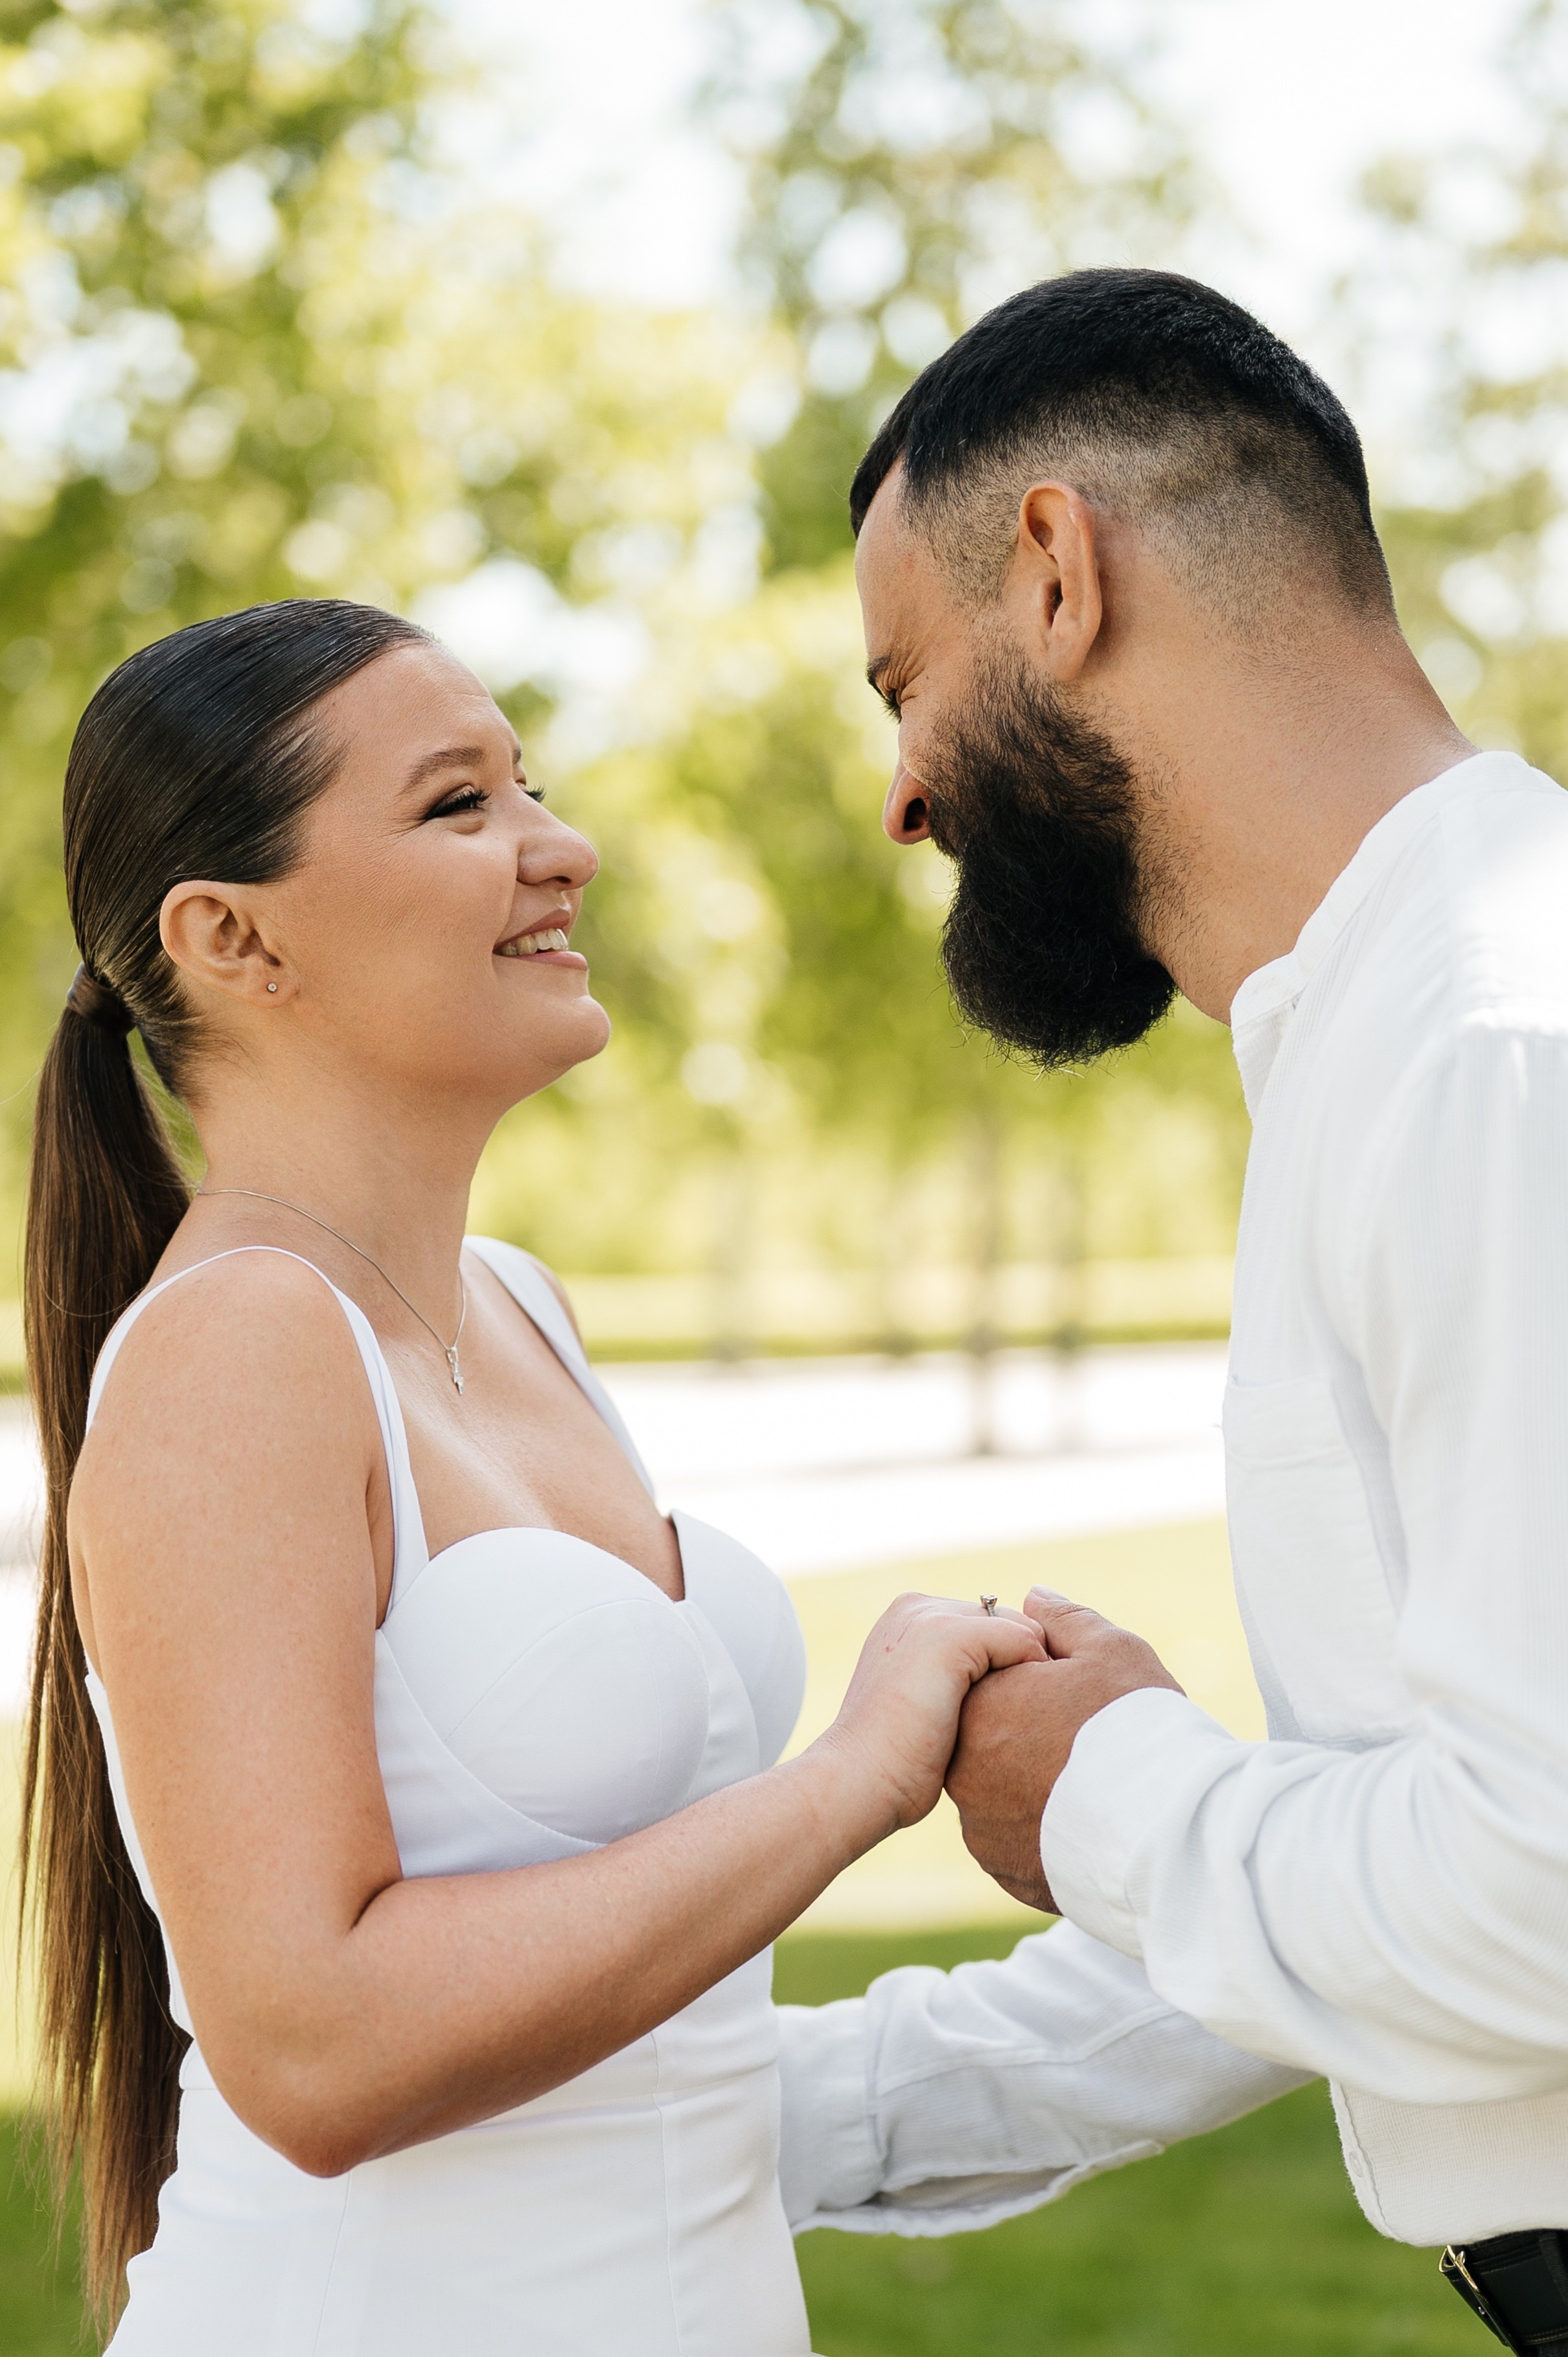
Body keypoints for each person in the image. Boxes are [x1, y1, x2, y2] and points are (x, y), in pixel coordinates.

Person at [19, 599, 1048, 2352]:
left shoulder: (520, 1310)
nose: (560, 849)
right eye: (456, 805)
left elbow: (660, 2061)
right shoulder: (238, 1350)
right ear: (230, 937)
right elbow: (315, 2051)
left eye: (532, 787)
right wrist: (856, 1778)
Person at [774, 268, 1568, 2351]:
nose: (902, 793)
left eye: (900, 683)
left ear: (1055, 572)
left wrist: (1106, 1786)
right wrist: (715, 2123)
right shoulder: (1385, 1029)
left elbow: (1544, 1895)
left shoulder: (1491, 1046)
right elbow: (1379, 1875)